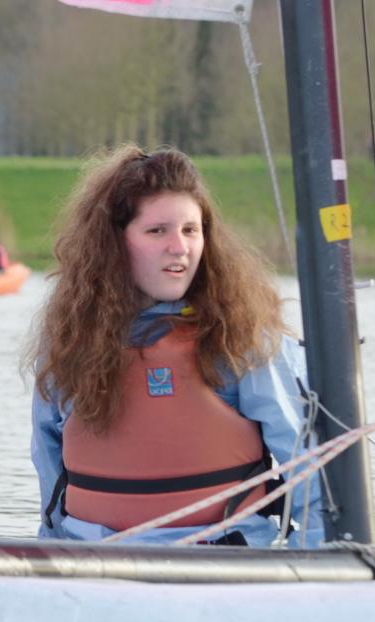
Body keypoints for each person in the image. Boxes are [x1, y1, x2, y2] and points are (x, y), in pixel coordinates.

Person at [27, 144, 322, 547]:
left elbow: (307, 466)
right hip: (95, 556)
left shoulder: (243, 338)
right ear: (115, 242)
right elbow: (49, 467)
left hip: (221, 559)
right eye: (157, 231)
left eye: (190, 230)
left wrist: (318, 557)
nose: (179, 247)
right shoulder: (69, 340)